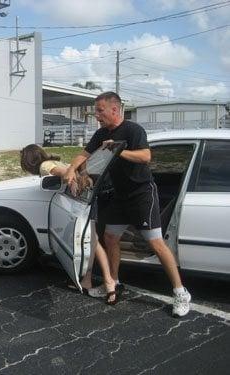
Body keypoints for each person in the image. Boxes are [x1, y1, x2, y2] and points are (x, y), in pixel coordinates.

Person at [64, 91, 191, 317]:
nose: (97, 116)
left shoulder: (133, 130)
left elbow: (145, 157)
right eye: (96, 111)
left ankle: (181, 292)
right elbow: (84, 155)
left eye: (100, 111)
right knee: (111, 238)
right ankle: (113, 281)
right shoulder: (101, 133)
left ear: (114, 109)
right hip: (120, 196)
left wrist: (118, 150)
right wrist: (72, 170)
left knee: (156, 244)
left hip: (142, 193)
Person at [20, 144, 117, 304]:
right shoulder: (51, 162)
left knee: (93, 241)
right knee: (91, 240)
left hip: (85, 199)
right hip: (88, 197)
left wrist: (73, 184)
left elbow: (65, 173)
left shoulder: (45, 166)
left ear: (28, 161)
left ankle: (109, 282)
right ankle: (87, 280)